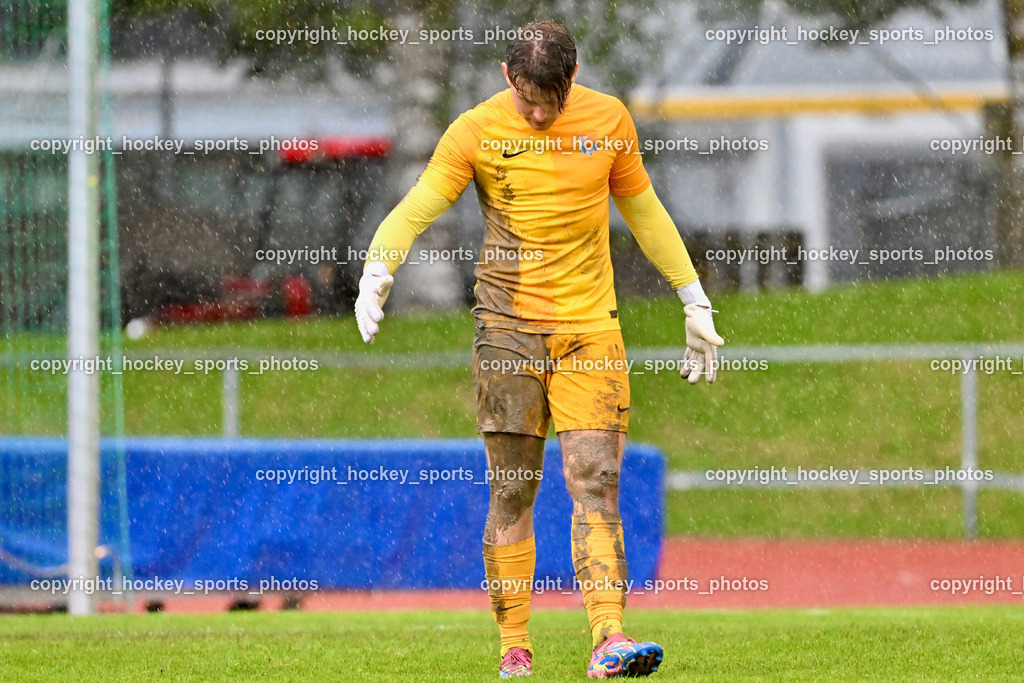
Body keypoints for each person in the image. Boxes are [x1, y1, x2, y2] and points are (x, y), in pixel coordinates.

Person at [354, 20, 723, 679]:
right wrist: (379, 270)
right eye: (526, 96)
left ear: (572, 79)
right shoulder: (476, 129)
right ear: (505, 76)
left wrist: (693, 297)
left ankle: (609, 638)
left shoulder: (609, 121)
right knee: (513, 491)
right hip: (507, 333)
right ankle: (514, 647)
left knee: (597, 482)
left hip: (591, 332)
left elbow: (643, 210)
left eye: (549, 98)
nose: (537, 111)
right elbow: (419, 204)